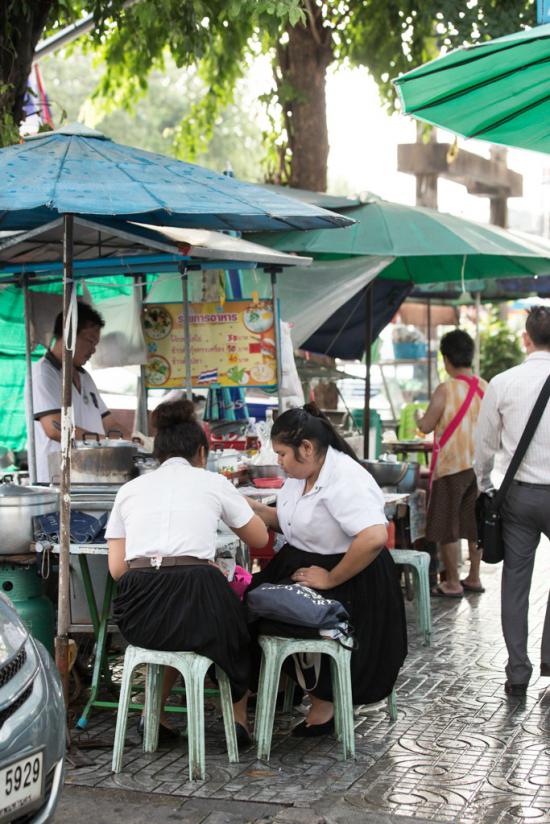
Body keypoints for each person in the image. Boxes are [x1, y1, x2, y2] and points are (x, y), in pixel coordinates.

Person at [106, 400, 268, 743]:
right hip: (198, 599)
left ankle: (155, 716)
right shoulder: (212, 482)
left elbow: (118, 568)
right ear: (202, 452)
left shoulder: (128, 490)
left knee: (171, 627)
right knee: (237, 630)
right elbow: (259, 537)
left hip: (138, 612)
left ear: (158, 453)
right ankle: (237, 722)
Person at [246, 403, 407, 737]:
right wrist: (255, 509)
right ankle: (279, 685)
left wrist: (331, 578)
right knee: (249, 605)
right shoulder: (300, 475)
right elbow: (294, 524)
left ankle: (325, 701)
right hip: (304, 563)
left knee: (296, 623)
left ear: (306, 448)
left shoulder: (345, 478)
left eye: (282, 454)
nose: (279, 462)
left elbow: (374, 537)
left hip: (352, 574)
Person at [474, 306, 550, 696]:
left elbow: (484, 445)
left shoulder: (503, 382)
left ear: (526, 337)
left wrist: (486, 487)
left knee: (515, 583)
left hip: (518, 495)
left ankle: (518, 670)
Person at [416, 329, 487, 598]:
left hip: (452, 467)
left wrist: (419, 419)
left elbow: (426, 426)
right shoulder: (485, 387)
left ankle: (453, 583)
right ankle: (474, 577)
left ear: (446, 359)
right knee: (473, 523)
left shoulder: (446, 389)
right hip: (479, 468)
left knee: (448, 525)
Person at [29, 301, 125, 483]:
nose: (93, 349)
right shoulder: (44, 373)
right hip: (59, 480)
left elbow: (110, 423)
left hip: (90, 477)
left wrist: (138, 442)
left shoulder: (85, 377)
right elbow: (54, 429)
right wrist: (105, 444)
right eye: (89, 341)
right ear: (69, 335)